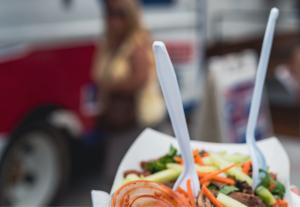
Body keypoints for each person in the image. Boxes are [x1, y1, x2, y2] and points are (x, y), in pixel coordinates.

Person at [92, 0, 165, 130]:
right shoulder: (108, 43)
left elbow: (139, 79)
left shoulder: (137, 44)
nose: (114, 20)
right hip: (115, 122)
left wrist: (112, 86)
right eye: (110, 13)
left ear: (130, 16)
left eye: (120, 14)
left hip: (141, 121)